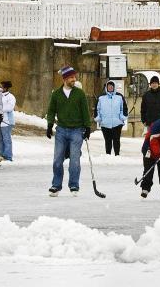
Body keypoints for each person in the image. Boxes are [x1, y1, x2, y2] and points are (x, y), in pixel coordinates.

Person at [46, 66, 91, 196]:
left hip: (77, 130)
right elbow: (51, 111)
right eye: (71, 77)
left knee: (75, 160)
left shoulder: (79, 93)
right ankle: (56, 185)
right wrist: (49, 125)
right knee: (57, 160)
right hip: (61, 130)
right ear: (65, 79)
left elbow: (85, 111)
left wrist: (87, 127)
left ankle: (74, 186)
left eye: (74, 77)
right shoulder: (56, 94)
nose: (74, 79)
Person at [96, 81, 128, 155]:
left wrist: (122, 117)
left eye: (111, 86)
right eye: (109, 86)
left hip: (117, 123)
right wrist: (99, 118)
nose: (110, 87)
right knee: (107, 140)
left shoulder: (119, 97)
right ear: (106, 87)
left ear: (114, 87)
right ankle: (108, 155)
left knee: (116, 140)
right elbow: (97, 109)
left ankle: (117, 154)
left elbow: (124, 108)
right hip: (105, 123)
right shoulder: (101, 97)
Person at [0, 80, 16, 161]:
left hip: (7, 122)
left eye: (1, 87)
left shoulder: (11, 97)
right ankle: (1, 155)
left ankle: (8, 156)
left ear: (5, 88)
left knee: (6, 139)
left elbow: (10, 108)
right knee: (0, 139)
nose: (0, 88)